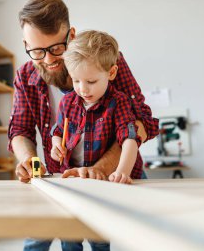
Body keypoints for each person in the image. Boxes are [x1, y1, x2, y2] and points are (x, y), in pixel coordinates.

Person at [8, 0, 158, 184]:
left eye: (56, 48)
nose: (48, 60)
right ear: (26, 44)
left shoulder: (105, 60)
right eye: (37, 51)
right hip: (65, 181)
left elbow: (140, 122)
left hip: (119, 178)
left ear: (71, 35)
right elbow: (20, 130)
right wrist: (30, 162)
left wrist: (99, 170)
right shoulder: (24, 77)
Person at [51, 30, 141, 184]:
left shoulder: (119, 102)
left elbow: (130, 140)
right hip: (76, 177)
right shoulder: (67, 102)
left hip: (109, 178)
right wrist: (56, 145)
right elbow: (58, 131)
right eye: (76, 81)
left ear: (111, 73)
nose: (83, 89)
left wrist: (122, 172)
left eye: (91, 81)